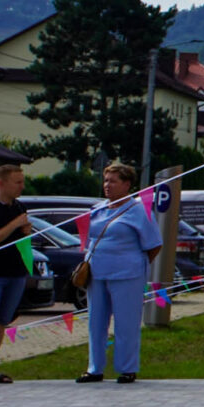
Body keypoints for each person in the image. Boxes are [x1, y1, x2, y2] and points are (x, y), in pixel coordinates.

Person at [79, 161, 161, 384]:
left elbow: (154, 244)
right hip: (97, 272)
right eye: (106, 180)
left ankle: (127, 368)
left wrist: (135, 263)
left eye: (113, 181)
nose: (107, 185)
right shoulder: (98, 209)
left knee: (126, 323)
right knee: (96, 323)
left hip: (127, 274)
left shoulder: (139, 211)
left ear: (126, 184)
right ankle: (94, 368)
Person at [0, 160, 26, 385]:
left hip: (16, 272)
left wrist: (27, 230)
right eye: (17, 182)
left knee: (2, 321)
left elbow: (23, 240)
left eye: (23, 182)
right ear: (1, 183)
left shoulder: (19, 207)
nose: (21, 187)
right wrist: (16, 224)